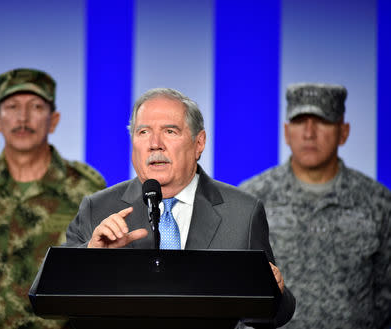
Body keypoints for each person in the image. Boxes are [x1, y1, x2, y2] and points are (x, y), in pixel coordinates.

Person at [64, 87, 295, 328]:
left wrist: (273, 294)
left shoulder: (242, 213)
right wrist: (90, 258)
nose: (155, 144)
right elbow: (52, 297)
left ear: (199, 143)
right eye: (143, 132)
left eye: (170, 131)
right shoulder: (98, 208)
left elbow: (272, 314)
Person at [0, 68, 106, 329]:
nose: (23, 117)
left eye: (37, 106)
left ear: (54, 120)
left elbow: (103, 277)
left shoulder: (86, 188)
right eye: (12, 106)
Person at [239, 83, 391, 329]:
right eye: (300, 122)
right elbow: (237, 287)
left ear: (344, 131)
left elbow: (386, 292)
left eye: (322, 121)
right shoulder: (251, 198)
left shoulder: (378, 203)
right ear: (287, 132)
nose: (309, 133)